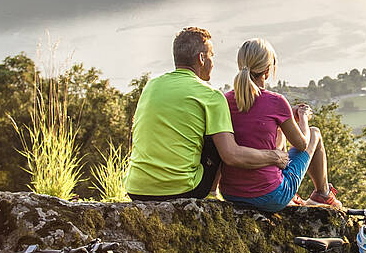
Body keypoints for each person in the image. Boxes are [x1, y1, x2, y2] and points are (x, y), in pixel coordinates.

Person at [125, 26, 286, 201]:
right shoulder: (211, 96)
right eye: (211, 55)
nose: (213, 62)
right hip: (181, 190)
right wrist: (274, 157)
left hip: (136, 189)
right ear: (202, 58)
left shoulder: (151, 86)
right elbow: (231, 155)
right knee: (219, 138)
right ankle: (213, 193)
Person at [219, 38, 340, 211]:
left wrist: (284, 118)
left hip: (231, 193)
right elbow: (302, 144)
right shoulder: (276, 101)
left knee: (278, 132)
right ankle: (323, 193)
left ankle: (312, 192)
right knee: (314, 133)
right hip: (271, 196)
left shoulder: (224, 100)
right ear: (267, 70)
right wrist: (303, 117)